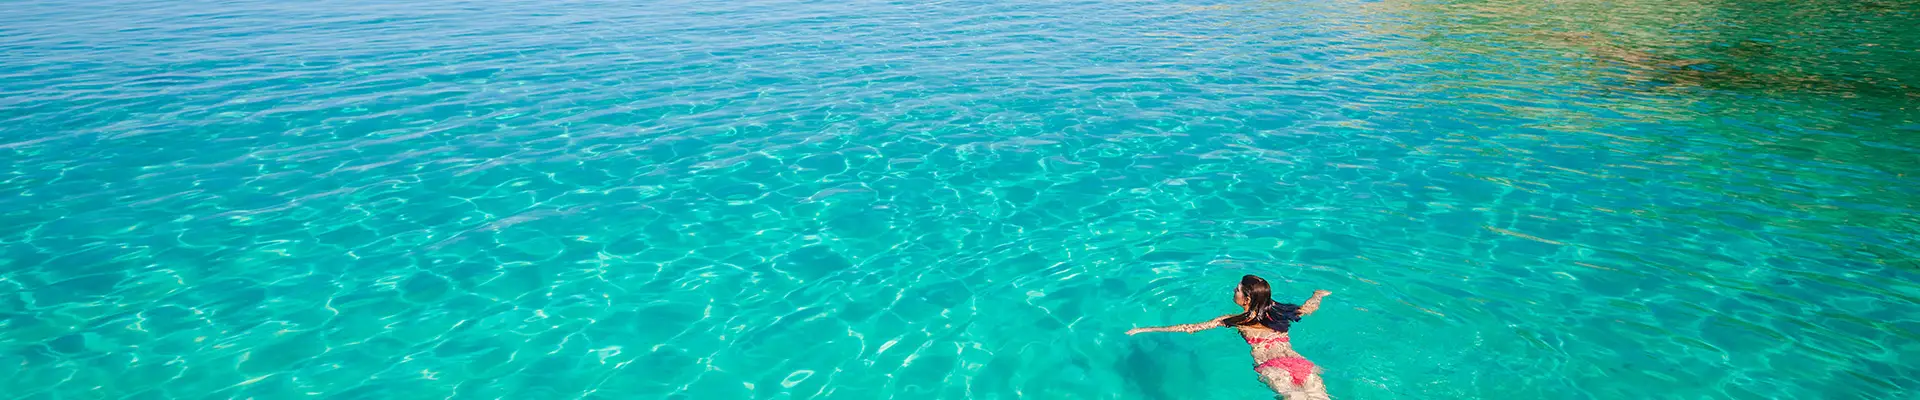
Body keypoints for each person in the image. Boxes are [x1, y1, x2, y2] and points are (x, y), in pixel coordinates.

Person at [1126, 275, 1333, 400]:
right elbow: (1309, 308)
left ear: (1247, 299)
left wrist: (1146, 329)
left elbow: (1191, 328)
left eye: (1238, 289)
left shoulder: (1234, 320)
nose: (1234, 291)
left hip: (1272, 366)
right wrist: (1318, 295)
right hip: (1298, 362)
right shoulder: (1279, 311)